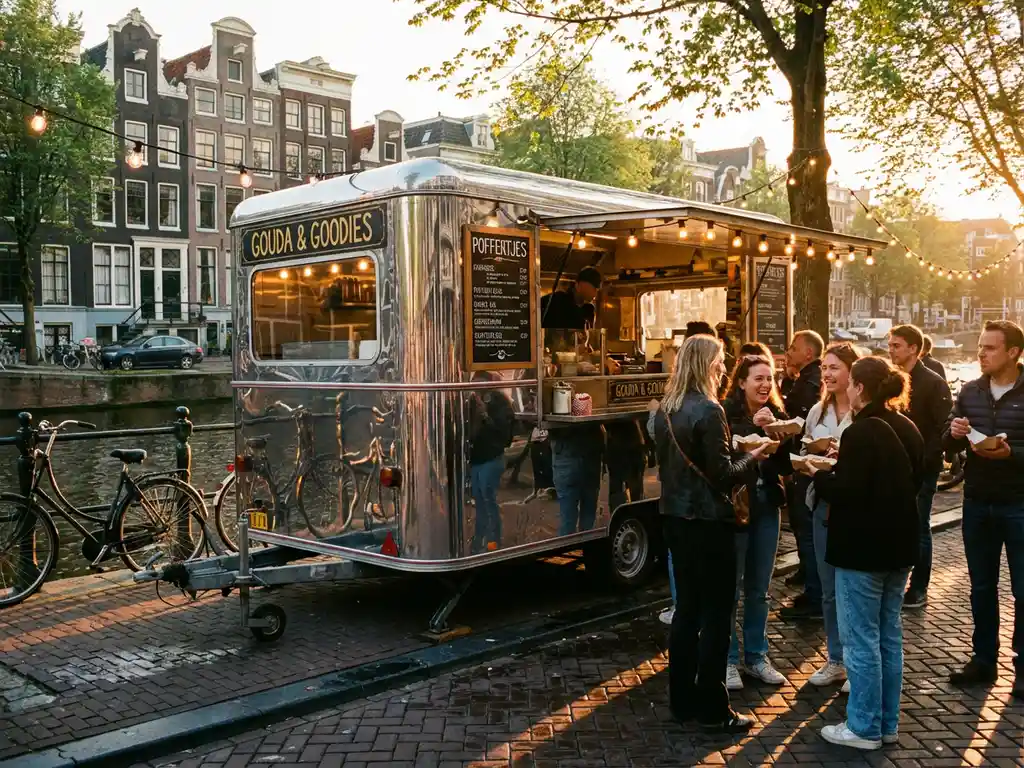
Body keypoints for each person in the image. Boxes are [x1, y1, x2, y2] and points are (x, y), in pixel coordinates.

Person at [652, 334, 769, 732]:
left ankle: (681, 700)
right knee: (718, 614)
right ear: (705, 365)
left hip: (674, 520)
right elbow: (722, 474)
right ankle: (715, 709)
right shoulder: (709, 409)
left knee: (686, 610)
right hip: (709, 524)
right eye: (720, 361)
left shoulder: (663, 411)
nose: (723, 367)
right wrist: (751, 457)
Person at [809, 357, 923, 750]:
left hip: (863, 550)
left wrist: (819, 476)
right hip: (900, 546)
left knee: (861, 640)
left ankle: (862, 727)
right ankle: (886, 722)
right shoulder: (906, 427)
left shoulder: (861, 432)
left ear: (858, 387)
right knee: (889, 637)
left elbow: (850, 492)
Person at [944, 320, 1024, 699]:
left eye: (990, 348)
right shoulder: (970, 391)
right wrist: (955, 433)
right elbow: (947, 442)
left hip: (1019, 503)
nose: (981, 354)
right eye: (979, 347)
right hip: (976, 502)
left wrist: (1013, 455)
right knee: (981, 587)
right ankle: (983, 659)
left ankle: (1022, 667)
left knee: (1023, 589)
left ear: (1013, 352)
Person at [790, 343, 864, 690]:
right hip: (822, 504)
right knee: (829, 589)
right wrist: (807, 458)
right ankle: (836, 660)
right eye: (824, 368)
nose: (828, 374)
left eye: (835, 367)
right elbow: (805, 450)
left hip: (854, 508)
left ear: (852, 372)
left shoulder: (865, 415)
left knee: (857, 589)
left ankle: (857, 661)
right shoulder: (817, 413)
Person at [721, 354, 793, 690]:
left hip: (767, 505)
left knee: (760, 589)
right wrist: (752, 439)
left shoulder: (776, 416)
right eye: (758, 379)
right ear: (741, 383)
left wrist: (772, 429)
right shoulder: (724, 414)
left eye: (770, 378)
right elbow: (724, 464)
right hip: (737, 508)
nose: (766, 385)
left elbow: (786, 466)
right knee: (730, 587)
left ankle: (756, 657)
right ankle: (728, 660)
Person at [887, 325, 952, 609]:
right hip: (894, 464)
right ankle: (894, 579)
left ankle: (919, 587)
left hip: (922, 466)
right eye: (890, 345)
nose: (891, 350)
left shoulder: (933, 382)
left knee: (919, 525)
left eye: (896, 345)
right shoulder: (890, 380)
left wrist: (928, 460)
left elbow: (943, 427)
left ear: (913, 348)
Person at [780, 330, 825, 618]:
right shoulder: (805, 379)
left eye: (794, 348)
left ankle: (814, 592)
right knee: (804, 528)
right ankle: (810, 579)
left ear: (808, 353)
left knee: (806, 528)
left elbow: (794, 416)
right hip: (803, 461)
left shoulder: (810, 382)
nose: (789, 351)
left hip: (804, 463)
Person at [467, 372, 515, 553]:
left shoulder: (499, 402)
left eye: (480, 384)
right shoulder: (470, 402)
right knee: (479, 501)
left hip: (492, 458)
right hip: (477, 458)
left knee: (488, 500)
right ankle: (480, 539)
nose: (476, 389)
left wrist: (485, 415)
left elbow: (504, 435)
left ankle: (494, 541)